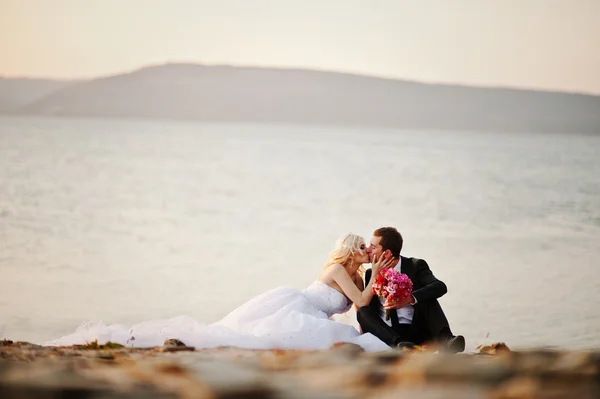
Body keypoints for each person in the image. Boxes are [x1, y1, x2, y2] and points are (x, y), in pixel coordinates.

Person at [44, 234, 393, 351]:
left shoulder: (356, 273)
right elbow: (360, 302)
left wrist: (379, 277)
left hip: (314, 314)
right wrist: (375, 272)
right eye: (362, 246)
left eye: (368, 246)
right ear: (349, 249)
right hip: (297, 307)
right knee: (237, 336)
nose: (366, 249)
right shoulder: (335, 269)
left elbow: (364, 301)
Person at [357, 227, 465, 353]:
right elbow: (369, 308)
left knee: (427, 297)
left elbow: (440, 286)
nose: (368, 250)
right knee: (362, 311)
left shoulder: (415, 265)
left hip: (416, 330)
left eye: (373, 247)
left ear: (387, 253)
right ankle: (400, 345)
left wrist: (409, 298)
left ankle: (447, 340)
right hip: (388, 334)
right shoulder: (371, 273)